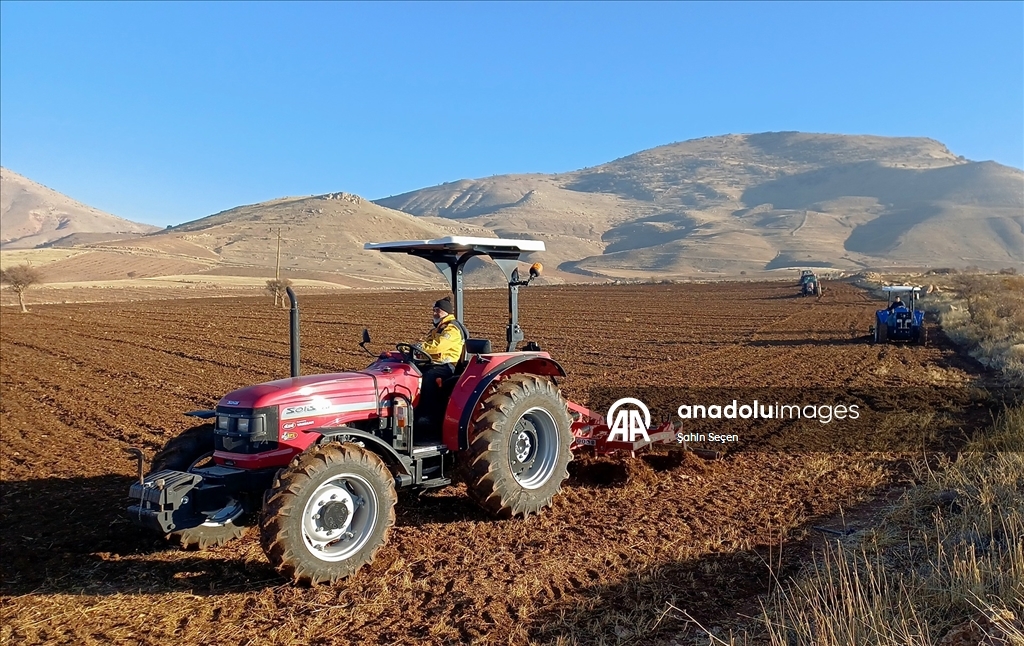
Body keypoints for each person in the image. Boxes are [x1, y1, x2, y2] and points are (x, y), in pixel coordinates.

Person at [414, 296, 466, 434]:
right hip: (433, 363)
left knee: (428, 378)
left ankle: (428, 416)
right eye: (434, 310)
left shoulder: (452, 329)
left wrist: (420, 347)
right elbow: (428, 343)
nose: (435, 313)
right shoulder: (437, 329)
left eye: (438, 310)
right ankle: (414, 411)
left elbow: (437, 346)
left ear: (446, 312)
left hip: (447, 366)